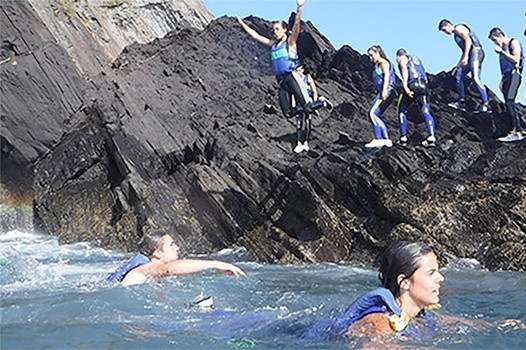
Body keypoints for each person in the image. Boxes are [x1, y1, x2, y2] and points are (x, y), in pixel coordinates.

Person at [302, 240, 443, 341]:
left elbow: (450, 322)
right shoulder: (378, 321)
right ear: (404, 282)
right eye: (431, 273)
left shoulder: (419, 316)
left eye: (438, 271)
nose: (440, 278)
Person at [237, 0, 327, 153]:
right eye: (274, 30)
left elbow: (297, 26)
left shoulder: (290, 43)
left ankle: (321, 104)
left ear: (285, 30)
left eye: (278, 29)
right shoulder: (273, 44)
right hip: (281, 81)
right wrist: (241, 23)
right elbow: (256, 36)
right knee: (287, 112)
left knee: (306, 108)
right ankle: (314, 115)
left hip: (292, 76)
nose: (275, 32)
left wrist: (299, 7)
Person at [106, 230, 246, 286]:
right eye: (172, 245)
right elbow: (171, 269)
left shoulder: (147, 270)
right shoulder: (146, 268)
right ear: (157, 253)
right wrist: (215, 264)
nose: (177, 248)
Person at [439, 19, 491, 114]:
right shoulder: (455, 36)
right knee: (458, 75)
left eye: (444, 29)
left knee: (475, 77)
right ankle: (461, 102)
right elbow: (463, 51)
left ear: (449, 25)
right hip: (470, 54)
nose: (445, 32)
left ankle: (486, 104)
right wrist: (457, 66)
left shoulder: (459, 28)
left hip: (476, 52)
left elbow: (468, 40)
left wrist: (466, 56)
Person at [488, 27, 525, 142]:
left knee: (510, 100)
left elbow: (516, 60)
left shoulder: (513, 42)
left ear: (500, 36)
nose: (495, 43)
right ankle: (512, 130)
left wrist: (502, 52)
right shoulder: (502, 48)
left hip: (515, 73)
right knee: (508, 103)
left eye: (495, 40)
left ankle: (518, 130)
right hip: (506, 77)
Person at [395, 49, 436, 147]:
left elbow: (404, 70)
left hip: (412, 84)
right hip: (423, 85)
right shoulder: (416, 59)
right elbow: (424, 75)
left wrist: (405, 86)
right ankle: (431, 137)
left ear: (398, 56)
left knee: (402, 109)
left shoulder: (402, 58)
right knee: (425, 111)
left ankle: (403, 138)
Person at [290, 64, 334, 152]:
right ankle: (299, 144)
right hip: (299, 102)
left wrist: (314, 104)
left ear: (302, 70)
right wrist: (293, 107)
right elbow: (293, 95)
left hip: (308, 101)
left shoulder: (308, 78)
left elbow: (314, 91)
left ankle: (305, 143)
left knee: (306, 122)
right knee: (299, 123)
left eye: (298, 70)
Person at [365, 45, 395, 148]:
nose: (370, 58)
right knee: (375, 114)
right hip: (381, 91)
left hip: (387, 90)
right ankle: (384, 139)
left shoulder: (383, 62)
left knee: (372, 113)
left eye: (372, 55)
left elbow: (387, 75)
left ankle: (380, 139)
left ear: (378, 53)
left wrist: (384, 90)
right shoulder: (377, 65)